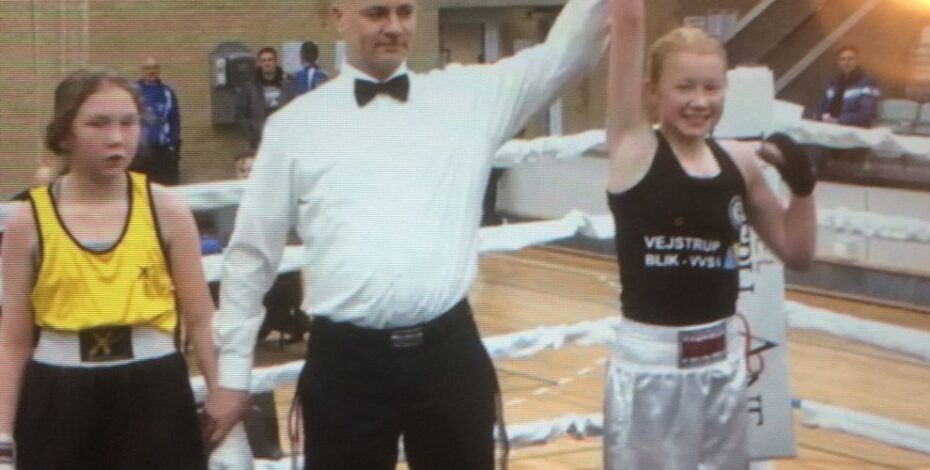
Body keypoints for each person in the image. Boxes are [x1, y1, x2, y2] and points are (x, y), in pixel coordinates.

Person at [203, 0, 609, 466]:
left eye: (405, 11)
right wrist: (232, 376)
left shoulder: (469, 98)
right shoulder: (294, 127)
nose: (394, 27)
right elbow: (252, 255)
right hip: (345, 366)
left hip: (448, 357)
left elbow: (566, 54)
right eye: (377, 13)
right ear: (337, 16)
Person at [604, 0, 816, 466]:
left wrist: (803, 189)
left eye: (711, 87)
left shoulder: (740, 163)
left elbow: (798, 254)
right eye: (684, 87)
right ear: (651, 92)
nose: (700, 101)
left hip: (722, 359)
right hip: (652, 362)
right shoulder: (633, 147)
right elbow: (629, 20)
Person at [0, 69, 231, 469]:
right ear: (64, 133)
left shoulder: (166, 209)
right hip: (58, 393)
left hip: (154, 390)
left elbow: (200, 316)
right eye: (98, 123)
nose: (117, 137)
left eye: (128, 122)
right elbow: (14, 341)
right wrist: (3, 437)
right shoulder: (28, 221)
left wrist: (223, 393)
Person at [132, 57, 182, 185]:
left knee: (165, 186)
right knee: (141, 187)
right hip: (140, 150)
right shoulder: (133, 91)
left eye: (154, 68)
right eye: (148, 68)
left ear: (159, 70)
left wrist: (173, 144)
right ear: (142, 70)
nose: (151, 71)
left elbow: (174, 120)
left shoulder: (167, 92)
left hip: (162, 149)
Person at [237, 47, 292, 150]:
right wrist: (252, 138)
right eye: (263, 60)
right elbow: (241, 116)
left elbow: (295, 112)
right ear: (259, 63)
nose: (267, 63)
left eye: (270, 60)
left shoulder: (287, 86)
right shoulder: (249, 87)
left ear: (276, 62)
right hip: (259, 142)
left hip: (283, 141)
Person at [814, 45, 879, 128]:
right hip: (829, 127)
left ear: (858, 61)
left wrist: (838, 120)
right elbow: (821, 105)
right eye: (842, 59)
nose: (846, 62)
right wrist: (819, 116)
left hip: (853, 131)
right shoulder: (833, 82)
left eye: (850, 59)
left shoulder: (868, 83)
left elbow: (867, 114)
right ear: (838, 62)